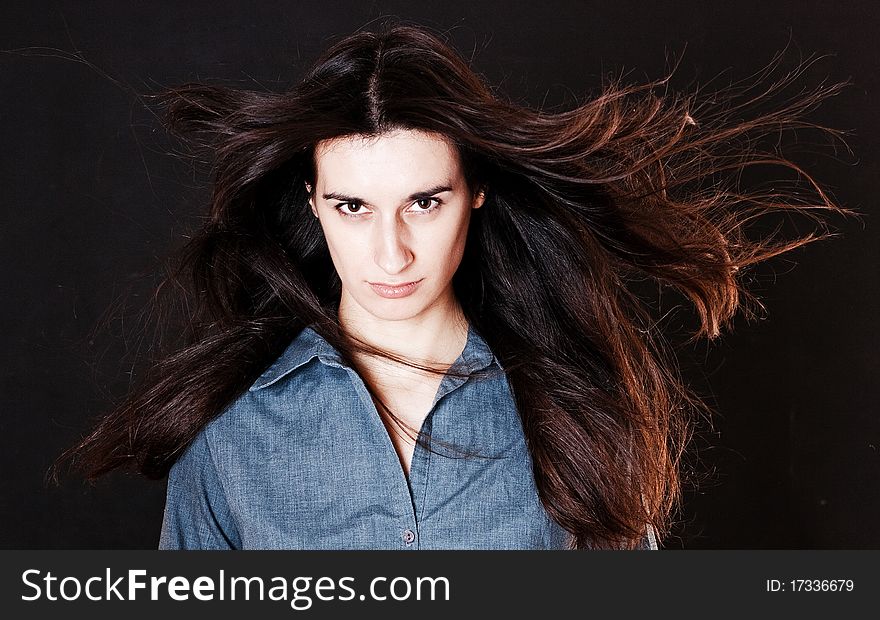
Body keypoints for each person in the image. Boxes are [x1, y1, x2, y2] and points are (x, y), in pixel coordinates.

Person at [55, 22, 852, 550]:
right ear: (313, 203)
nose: (390, 251)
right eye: (353, 206)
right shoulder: (229, 435)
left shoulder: (576, 410)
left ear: (474, 190)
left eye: (423, 202)